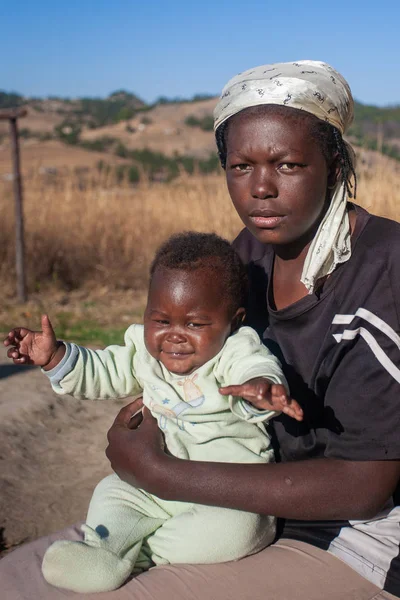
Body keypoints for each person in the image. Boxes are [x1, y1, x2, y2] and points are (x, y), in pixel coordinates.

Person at [1, 59, 400, 600]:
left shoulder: (383, 275)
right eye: (240, 167)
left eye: (286, 166)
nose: (260, 188)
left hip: (355, 542)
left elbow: (365, 487)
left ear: (332, 163)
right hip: (225, 496)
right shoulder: (248, 255)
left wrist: (157, 471)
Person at [3, 231, 302, 594]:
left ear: (233, 321)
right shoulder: (142, 353)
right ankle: (105, 550)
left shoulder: (235, 351)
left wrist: (261, 388)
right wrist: (55, 357)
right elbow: (103, 371)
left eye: (194, 324)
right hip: (152, 488)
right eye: (161, 321)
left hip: (226, 492)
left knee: (241, 529)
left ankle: (137, 553)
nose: (174, 336)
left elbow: (255, 368)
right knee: (112, 493)